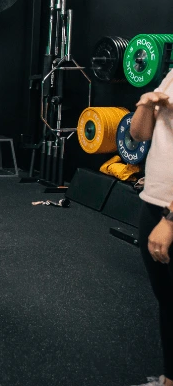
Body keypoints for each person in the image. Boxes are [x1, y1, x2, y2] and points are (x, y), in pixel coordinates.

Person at [129, 70, 173, 386]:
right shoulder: (172, 75)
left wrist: (171, 219)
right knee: (167, 299)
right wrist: (145, 104)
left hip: (169, 214)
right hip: (153, 204)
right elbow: (139, 134)